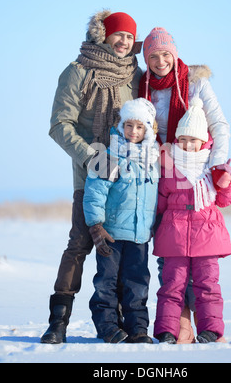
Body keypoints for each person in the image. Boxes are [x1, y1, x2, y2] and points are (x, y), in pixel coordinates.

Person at [41, 10, 143, 344]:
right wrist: (92, 158)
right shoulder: (78, 72)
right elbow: (59, 125)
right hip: (90, 178)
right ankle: (58, 322)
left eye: (130, 36)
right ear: (103, 35)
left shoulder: (135, 75)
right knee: (80, 244)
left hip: (127, 183)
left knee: (123, 252)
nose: (124, 41)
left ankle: (119, 325)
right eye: (119, 34)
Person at [139, 27, 231, 343]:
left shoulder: (195, 84)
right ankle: (179, 324)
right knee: (172, 266)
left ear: (175, 55)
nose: (161, 60)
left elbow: (219, 126)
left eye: (166, 54)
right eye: (153, 55)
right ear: (146, 59)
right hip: (162, 173)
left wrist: (216, 166)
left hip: (196, 168)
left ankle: (207, 327)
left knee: (203, 274)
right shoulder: (144, 87)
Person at [153, 98, 231, 344]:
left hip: (207, 235)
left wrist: (227, 182)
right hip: (174, 237)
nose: (188, 145)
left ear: (204, 141)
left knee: (208, 285)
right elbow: (160, 200)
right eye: (184, 139)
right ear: (177, 140)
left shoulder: (213, 167)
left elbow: (224, 200)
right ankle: (168, 331)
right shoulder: (170, 167)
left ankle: (211, 330)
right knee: (171, 285)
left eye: (193, 140)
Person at [83, 98, 159, 344]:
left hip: (139, 236)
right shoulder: (108, 154)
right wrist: (96, 225)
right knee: (106, 282)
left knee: (137, 283)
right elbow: (94, 191)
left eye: (139, 127)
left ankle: (137, 328)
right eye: (129, 125)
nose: (133, 131)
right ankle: (107, 326)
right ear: (120, 125)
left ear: (148, 130)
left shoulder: (153, 162)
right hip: (111, 234)